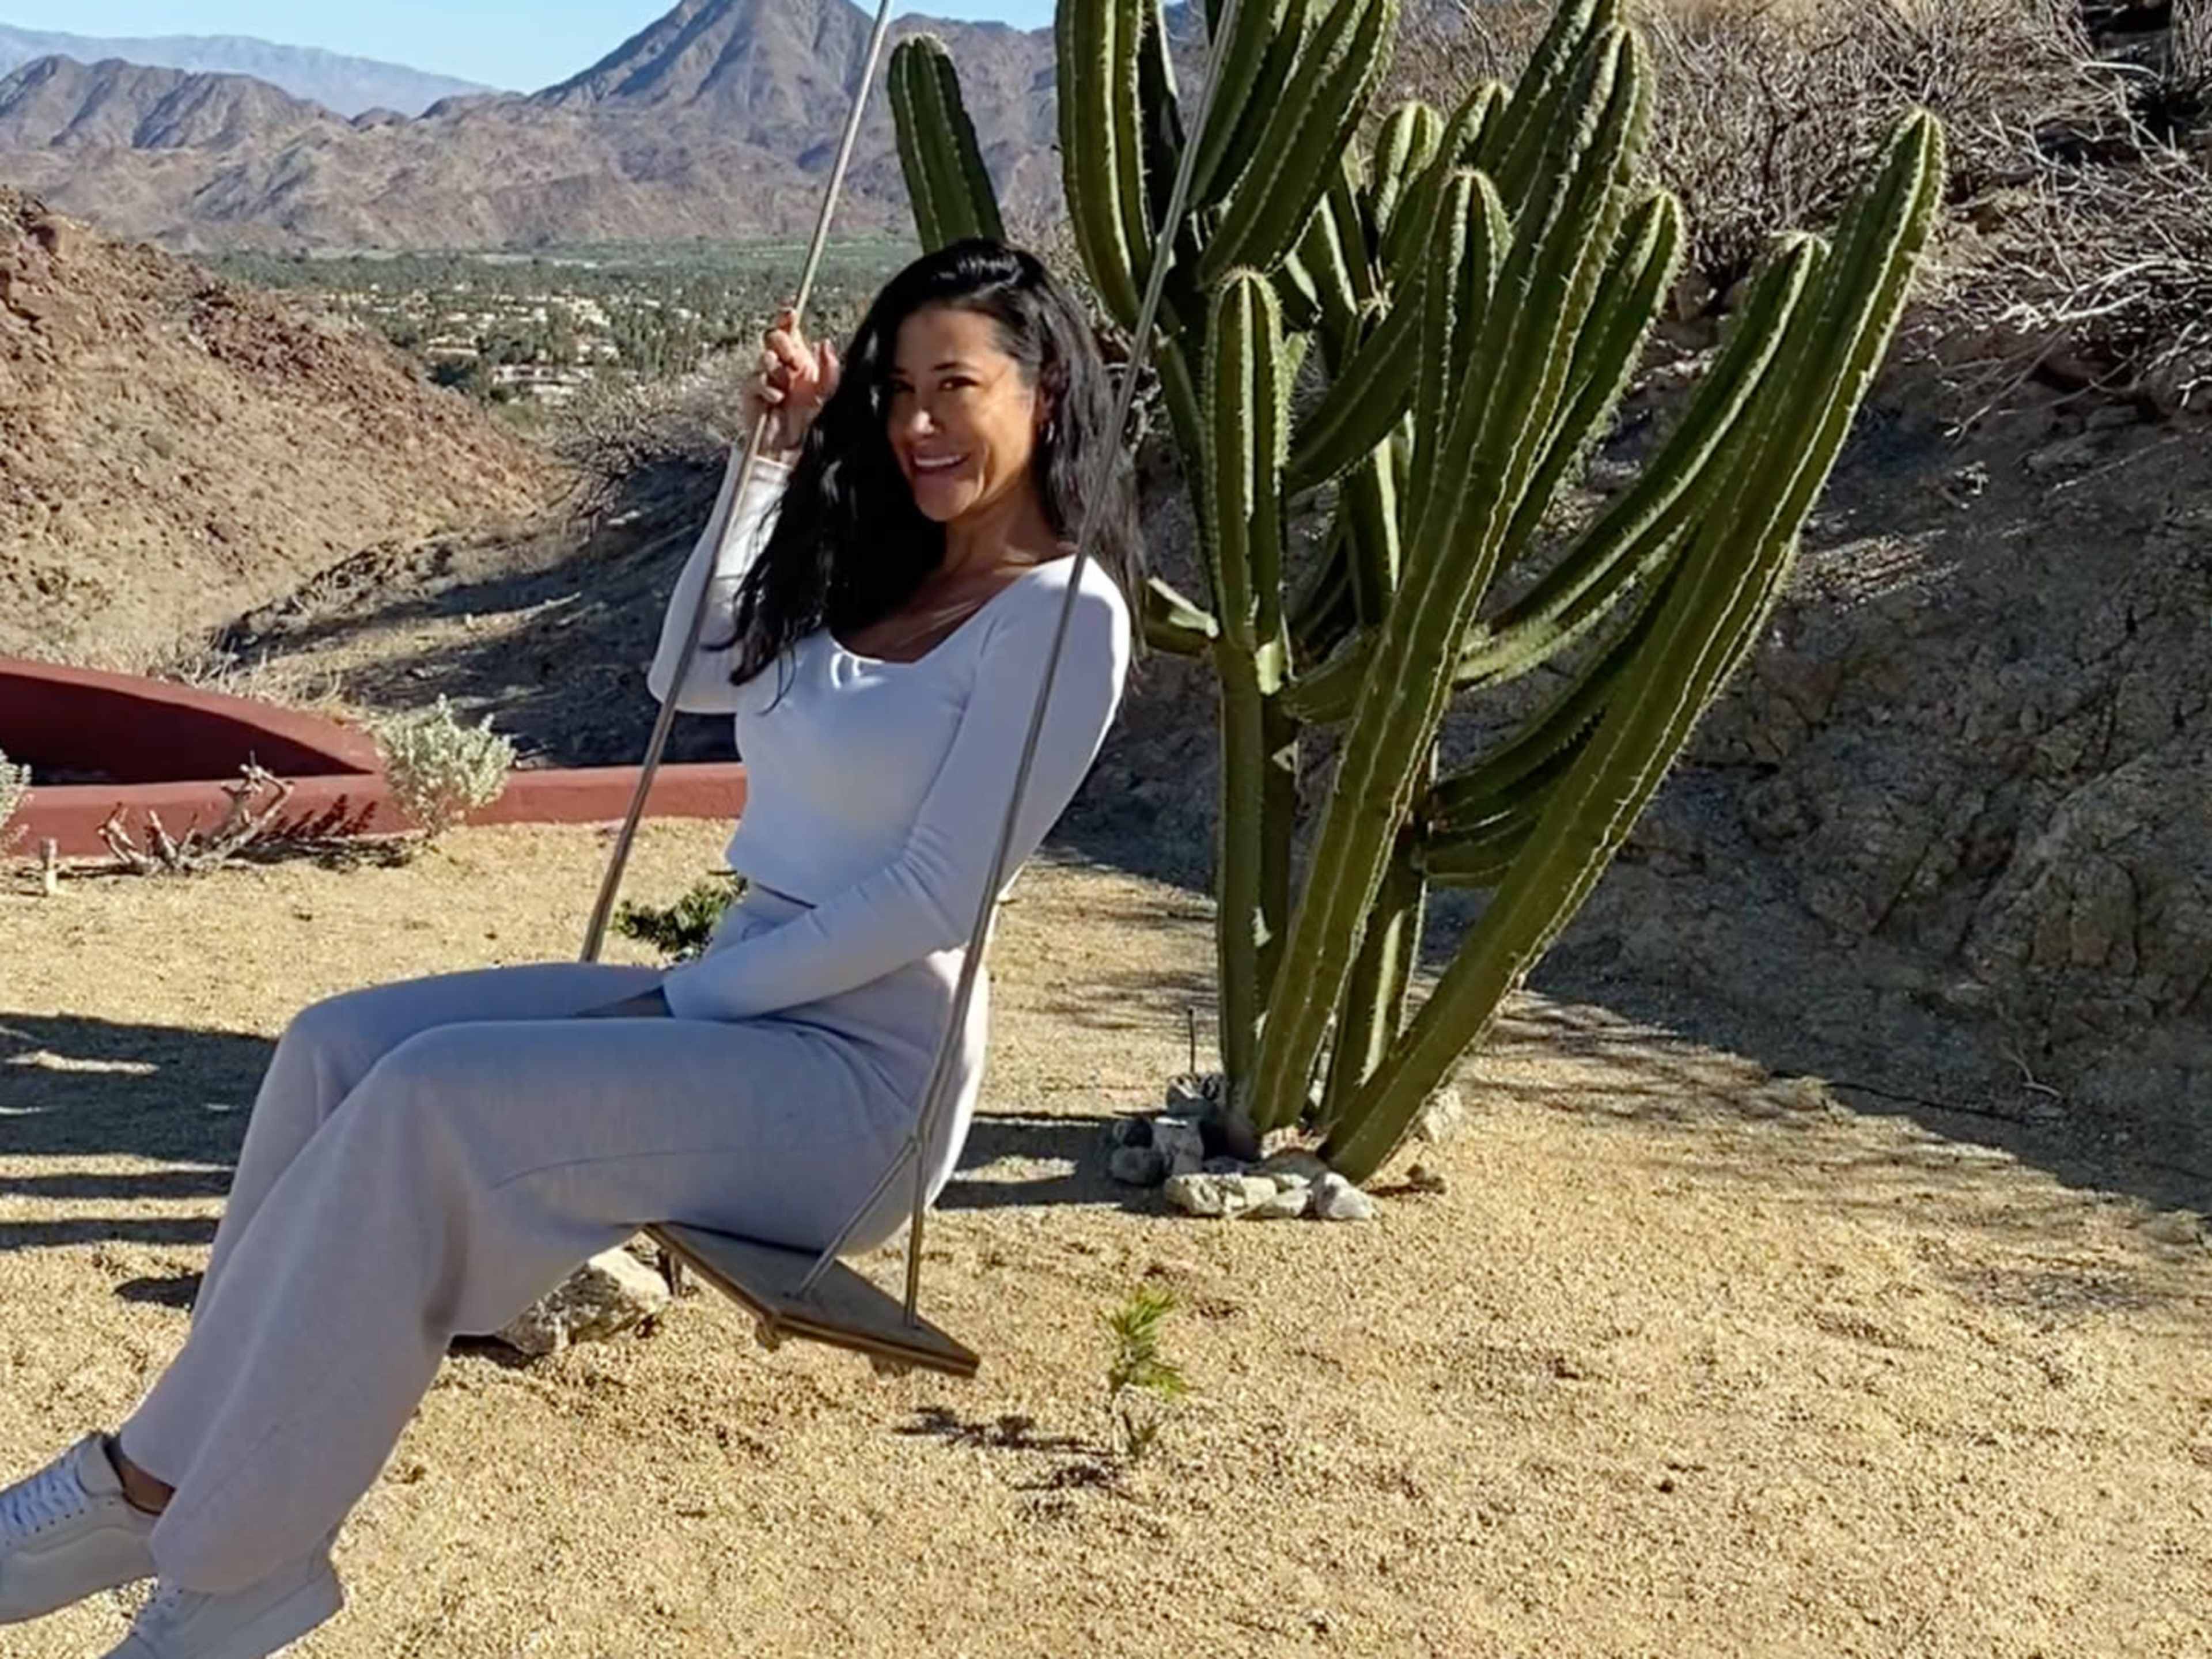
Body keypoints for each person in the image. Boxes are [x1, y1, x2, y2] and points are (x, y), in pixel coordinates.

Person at [0, 237, 1142, 1659]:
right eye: (897, 387)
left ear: (1045, 396)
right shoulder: (878, 571)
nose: (918, 422)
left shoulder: (1065, 617)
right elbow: (690, 673)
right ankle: (226, 1546)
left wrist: (702, 1000)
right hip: (741, 1000)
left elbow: (933, 892)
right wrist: (775, 459)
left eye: (955, 385)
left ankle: (171, 1506)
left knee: (432, 1103)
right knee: (339, 1050)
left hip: (863, 1075)